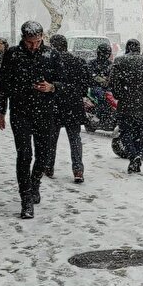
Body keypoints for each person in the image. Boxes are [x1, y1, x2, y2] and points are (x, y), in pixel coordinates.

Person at [0, 21, 64, 219]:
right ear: (23, 39)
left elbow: (65, 82)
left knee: (44, 155)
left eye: (37, 41)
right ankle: (25, 198)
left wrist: (52, 87)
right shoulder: (13, 54)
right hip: (20, 111)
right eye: (29, 42)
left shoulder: (51, 54)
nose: (33, 46)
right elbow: (3, 84)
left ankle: (35, 183)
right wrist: (0, 111)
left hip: (45, 111)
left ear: (42, 37)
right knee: (24, 155)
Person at [47, 34, 95, 183]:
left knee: (51, 138)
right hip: (73, 105)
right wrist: (76, 93)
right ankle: (78, 169)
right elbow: (85, 85)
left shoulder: (49, 62)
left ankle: (49, 166)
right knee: (75, 139)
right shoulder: (78, 61)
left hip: (54, 104)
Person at [109, 39, 143, 174]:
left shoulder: (120, 61)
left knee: (125, 133)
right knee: (139, 135)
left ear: (127, 48)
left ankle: (133, 156)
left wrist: (120, 95)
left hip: (126, 105)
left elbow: (113, 83)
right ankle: (138, 157)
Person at [88, 42, 114, 119]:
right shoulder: (92, 63)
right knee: (101, 95)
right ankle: (101, 115)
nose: (106, 55)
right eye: (105, 53)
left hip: (108, 87)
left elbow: (113, 75)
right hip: (94, 87)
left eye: (108, 54)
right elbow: (92, 75)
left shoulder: (110, 64)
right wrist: (102, 81)